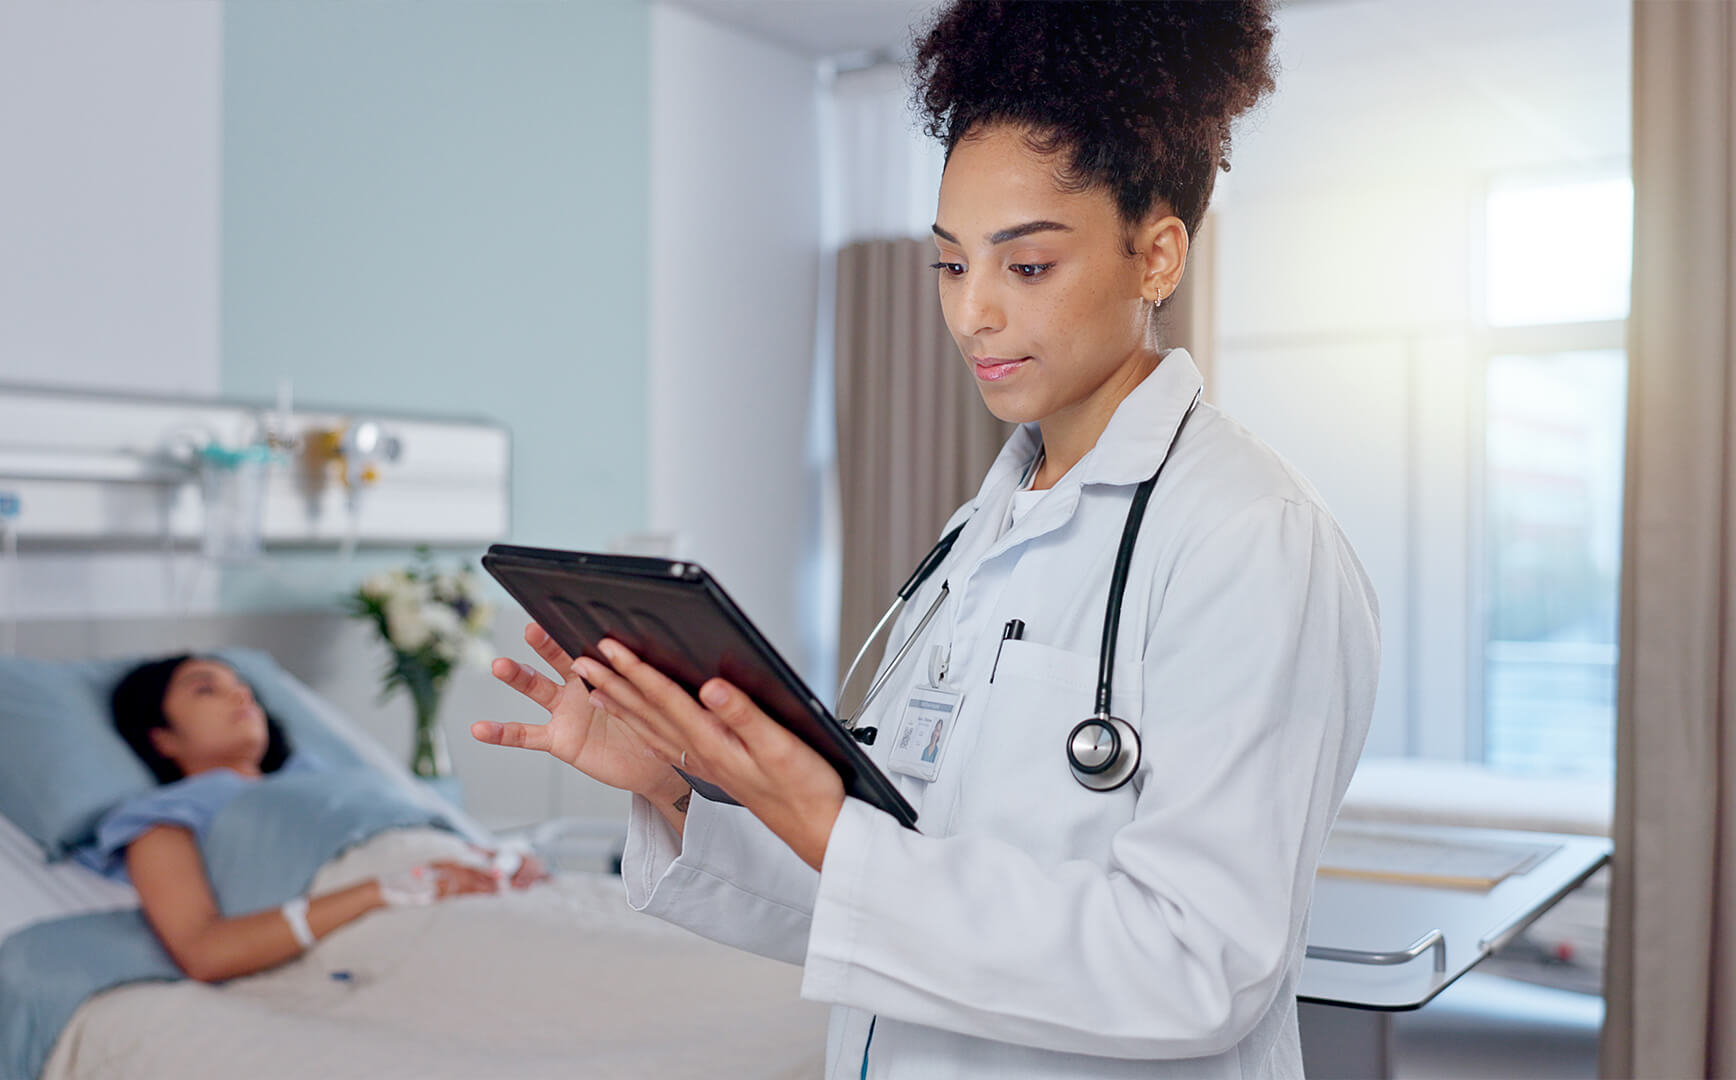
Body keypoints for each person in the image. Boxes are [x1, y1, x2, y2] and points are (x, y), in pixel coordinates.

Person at [474, 2, 1377, 1076]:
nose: (973, 314)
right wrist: (685, 786)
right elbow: (884, 903)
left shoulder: (1248, 540)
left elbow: (1197, 966)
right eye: (952, 266)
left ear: (1158, 255)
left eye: (1026, 267)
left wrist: (832, 827)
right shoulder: (974, 539)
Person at [93, 655, 544, 983]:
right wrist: (388, 888)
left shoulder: (322, 776)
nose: (239, 694)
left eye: (241, 686)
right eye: (205, 688)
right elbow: (204, 952)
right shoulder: (164, 821)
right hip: (396, 925)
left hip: (486, 890)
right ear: (163, 738)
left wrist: (502, 858)